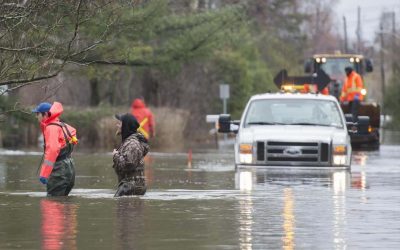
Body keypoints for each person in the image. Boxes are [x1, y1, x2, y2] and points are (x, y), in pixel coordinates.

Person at [32, 102, 78, 196]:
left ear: (45, 114)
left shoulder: (51, 128)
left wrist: (44, 174)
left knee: (52, 204)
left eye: (37, 114)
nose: (36, 116)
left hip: (59, 171)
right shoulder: (62, 125)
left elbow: (52, 151)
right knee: (64, 205)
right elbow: (73, 136)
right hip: (69, 168)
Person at [113, 113, 149, 196]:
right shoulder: (129, 142)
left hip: (130, 187)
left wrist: (115, 156)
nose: (117, 125)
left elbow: (128, 165)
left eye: (120, 123)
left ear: (125, 126)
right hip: (130, 186)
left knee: (123, 207)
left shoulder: (132, 144)